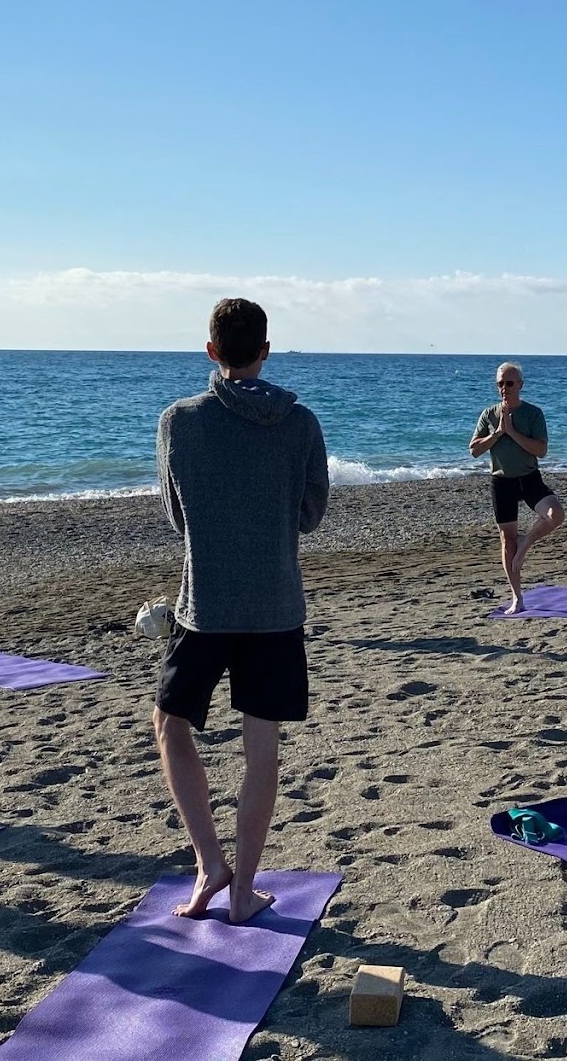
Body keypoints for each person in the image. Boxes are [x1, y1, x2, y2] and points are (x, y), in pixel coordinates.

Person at [154, 298, 329, 923]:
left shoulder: (179, 420)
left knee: (171, 726)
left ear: (210, 351)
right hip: (275, 606)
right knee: (262, 747)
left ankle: (210, 863)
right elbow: (309, 515)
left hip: (204, 605)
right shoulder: (301, 422)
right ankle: (241, 888)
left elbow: (178, 517)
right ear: (265, 350)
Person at [470, 362, 565, 614]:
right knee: (506, 540)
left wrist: (512, 432)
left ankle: (527, 542)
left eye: (509, 383)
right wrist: (498, 433)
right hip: (502, 482)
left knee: (556, 515)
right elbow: (474, 450)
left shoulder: (533, 413)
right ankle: (517, 598)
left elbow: (541, 450)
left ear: (520, 385)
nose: (504, 388)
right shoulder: (488, 415)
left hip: (529, 478)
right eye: (500, 383)